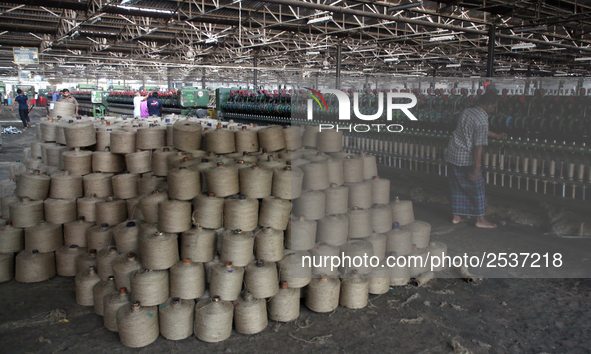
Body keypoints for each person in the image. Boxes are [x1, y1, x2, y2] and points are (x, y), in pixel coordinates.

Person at [444, 89, 507, 228]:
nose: (494, 109)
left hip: (453, 153)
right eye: (494, 106)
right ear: (489, 104)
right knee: (478, 189)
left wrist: (496, 135)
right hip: (466, 158)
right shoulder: (482, 120)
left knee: (456, 187)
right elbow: (478, 147)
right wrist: (477, 169)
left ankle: (456, 217)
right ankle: (480, 220)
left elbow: (475, 131)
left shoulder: (467, 112)